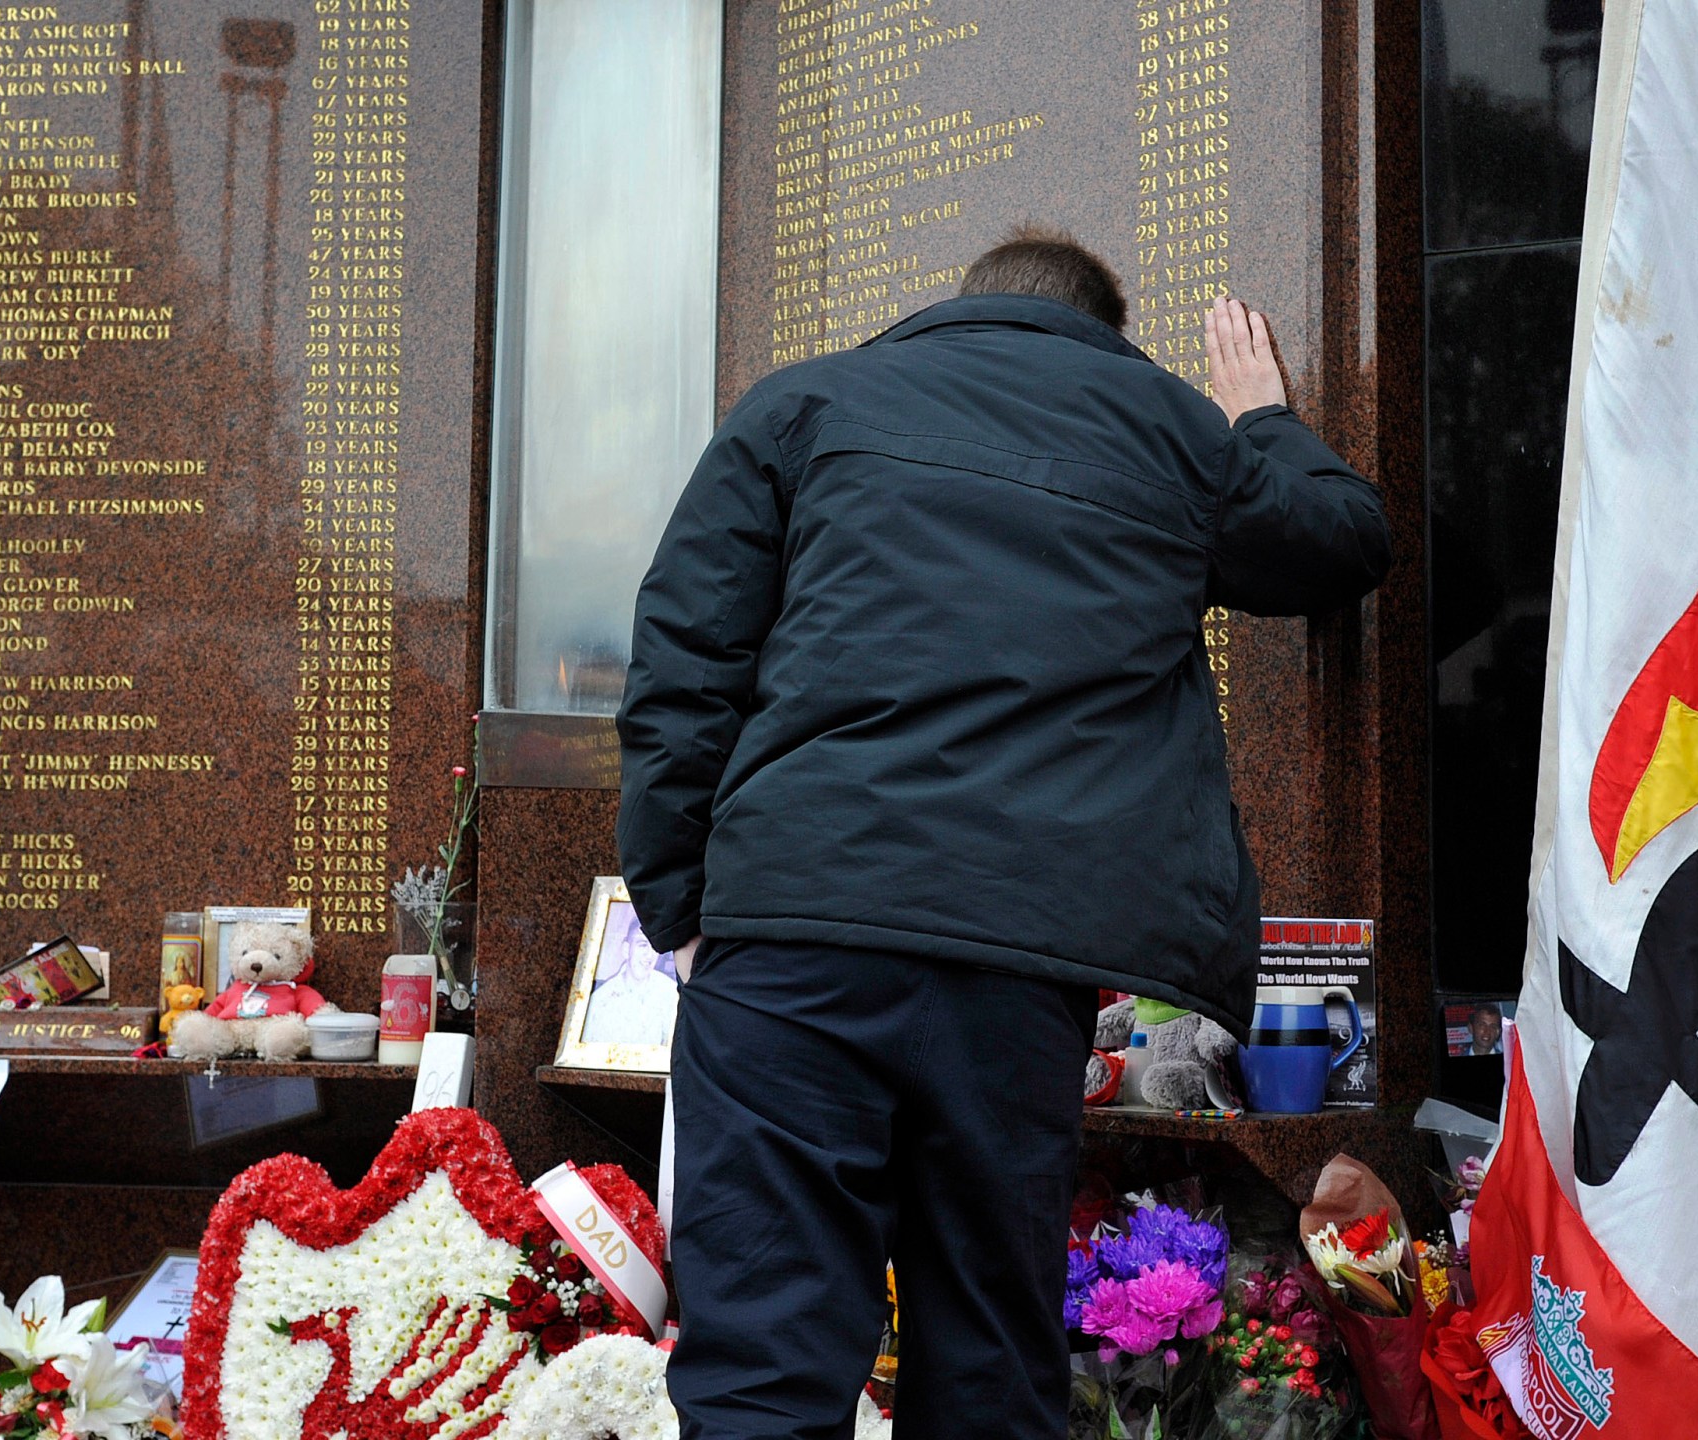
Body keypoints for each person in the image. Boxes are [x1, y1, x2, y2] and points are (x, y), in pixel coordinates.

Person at [617, 226, 1392, 1440]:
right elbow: (1342, 539)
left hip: (791, 939)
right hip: (1017, 966)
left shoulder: (801, 407)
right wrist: (1261, 422)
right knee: (985, 1352)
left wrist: (684, 911)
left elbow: (683, 667)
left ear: (958, 304)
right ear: (1103, 331)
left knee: (764, 1360)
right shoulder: (1167, 427)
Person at [583, 909, 682, 1046]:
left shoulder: (671, 992)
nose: (649, 955)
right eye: (642, 945)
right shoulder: (600, 1000)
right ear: (626, 949)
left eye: (654, 948)